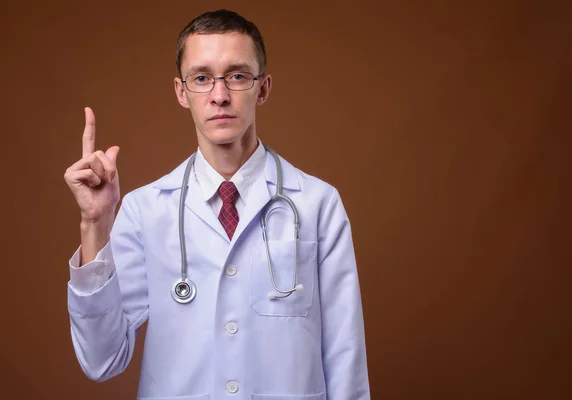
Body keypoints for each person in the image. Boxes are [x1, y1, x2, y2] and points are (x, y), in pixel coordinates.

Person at [63, 9, 370, 400]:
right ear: (181, 91)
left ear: (263, 88)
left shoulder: (317, 204)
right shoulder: (146, 211)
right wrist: (95, 224)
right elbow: (101, 360)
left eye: (238, 76)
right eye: (202, 78)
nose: (220, 95)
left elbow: (346, 359)